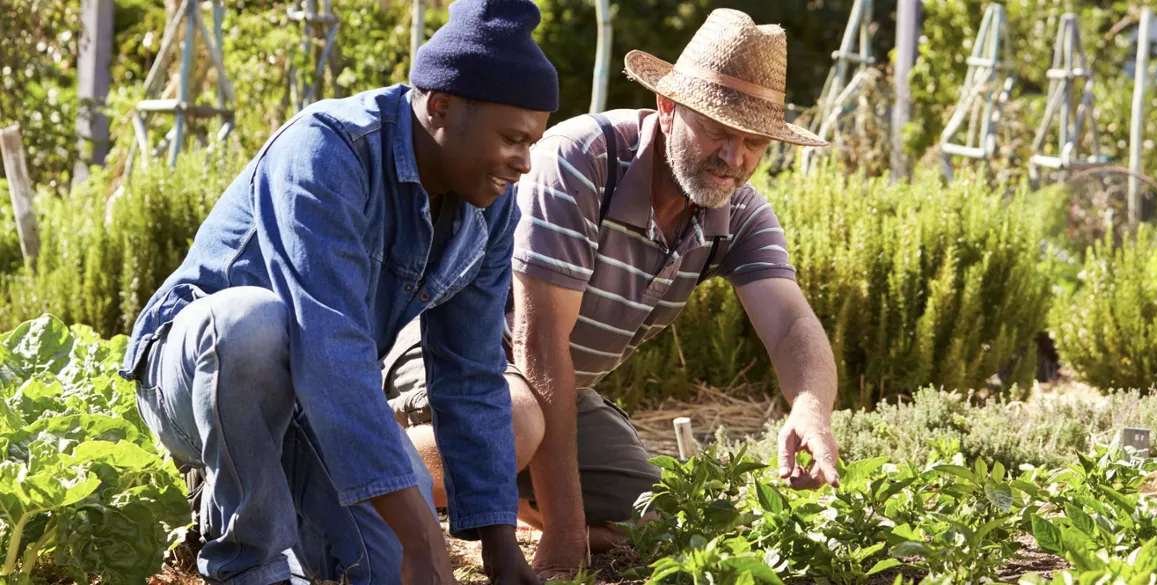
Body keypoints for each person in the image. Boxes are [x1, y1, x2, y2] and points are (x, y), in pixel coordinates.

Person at [384, 8, 844, 579]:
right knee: (517, 422)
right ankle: (348, 486)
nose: (735, 158)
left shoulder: (736, 209)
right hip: (453, 360)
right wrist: (566, 537)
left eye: (753, 142)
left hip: (557, 391)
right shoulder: (582, 159)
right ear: (669, 108)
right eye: (719, 131)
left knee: (664, 516)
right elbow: (538, 344)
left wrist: (810, 406)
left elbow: (791, 324)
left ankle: (500, 499)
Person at [117, 1, 556, 583]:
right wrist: (424, 537)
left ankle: (285, 516)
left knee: (389, 566)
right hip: (198, 377)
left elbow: (471, 375)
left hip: (314, 402)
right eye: (511, 139)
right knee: (255, 322)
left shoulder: (490, 210)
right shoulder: (329, 150)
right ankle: (251, 564)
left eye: (533, 142)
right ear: (442, 107)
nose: (524, 163)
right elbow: (330, 344)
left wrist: (499, 546)